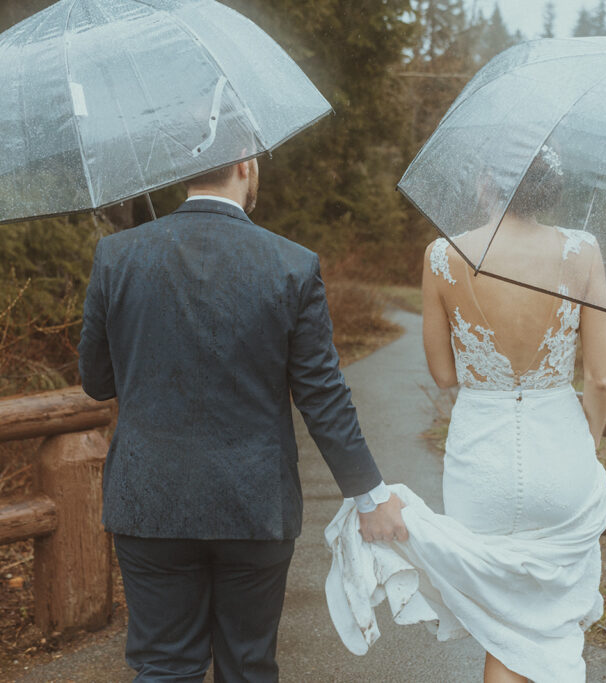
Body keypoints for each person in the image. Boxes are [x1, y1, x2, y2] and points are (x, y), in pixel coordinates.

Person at [78, 156, 407, 682]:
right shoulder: (291, 264)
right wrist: (368, 495)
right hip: (253, 503)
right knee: (248, 667)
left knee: (164, 666)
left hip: (148, 500)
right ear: (245, 166)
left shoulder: (118, 256)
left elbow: (96, 381)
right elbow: (321, 395)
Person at [324, 145, 606, 682]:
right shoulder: (584, 251)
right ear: (547, 188)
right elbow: (599, 379)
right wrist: (589, 442)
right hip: (562, 450)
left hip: (482, 458)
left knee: (504, 623)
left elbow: (444, 373)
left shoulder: (443, 256)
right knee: (551, 626)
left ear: (487, 184)